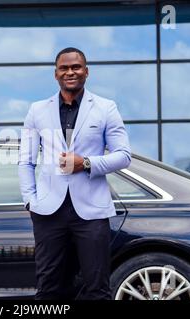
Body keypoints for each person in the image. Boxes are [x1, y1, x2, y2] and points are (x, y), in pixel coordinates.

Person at [18, 47, 131, 300]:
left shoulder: (105, 108)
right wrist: (30, 200)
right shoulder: (37, 110)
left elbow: (124, 155)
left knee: (97, 289)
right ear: (56, 74)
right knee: (49, 289)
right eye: (64, 68)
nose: (71, 72)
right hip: (48, 212)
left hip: (91, 212)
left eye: (76, 67)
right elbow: (25, 161)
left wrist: (86, 163)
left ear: (86, 72)